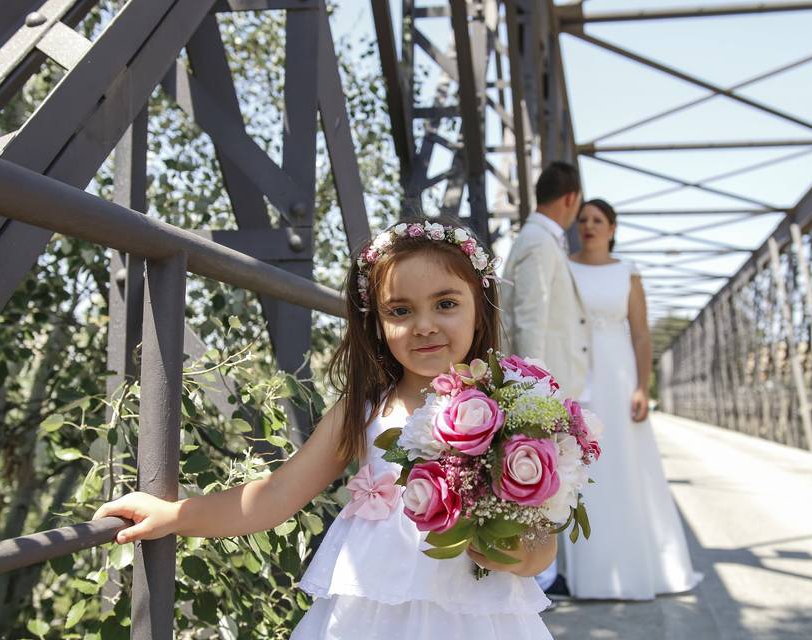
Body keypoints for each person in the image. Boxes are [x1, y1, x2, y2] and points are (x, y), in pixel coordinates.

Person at [93, 217, 556, 639]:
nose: (424, 325)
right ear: (376, 324)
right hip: (371, 617)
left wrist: (515, 556)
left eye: (446, 303)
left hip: (479, 615)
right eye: (399, 311)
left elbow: (542, 545)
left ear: (479, 309)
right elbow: (274, 497)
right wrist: (175, 515)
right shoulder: (362, 412)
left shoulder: (513, 407)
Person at [564, 198, 702, 600]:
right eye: (584, 219)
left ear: (612, 228)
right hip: (578, 371)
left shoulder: (628, 273)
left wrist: (642, 386)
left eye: (598, 220)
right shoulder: (564, 266)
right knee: (581, 463)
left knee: (623, 463)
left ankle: (635, 565)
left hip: (617, 374)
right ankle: (583, 571)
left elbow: (641, 334)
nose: (589, 225)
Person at [500, 161, 589, 597]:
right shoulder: (538, 241)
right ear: (571, 198)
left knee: (545, 478)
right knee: (539, 479)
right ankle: (540, 579)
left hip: (546, 386)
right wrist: (536, 388)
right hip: (541, 389)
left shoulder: (539, 238)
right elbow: (529, 319)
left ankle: (544, 576)